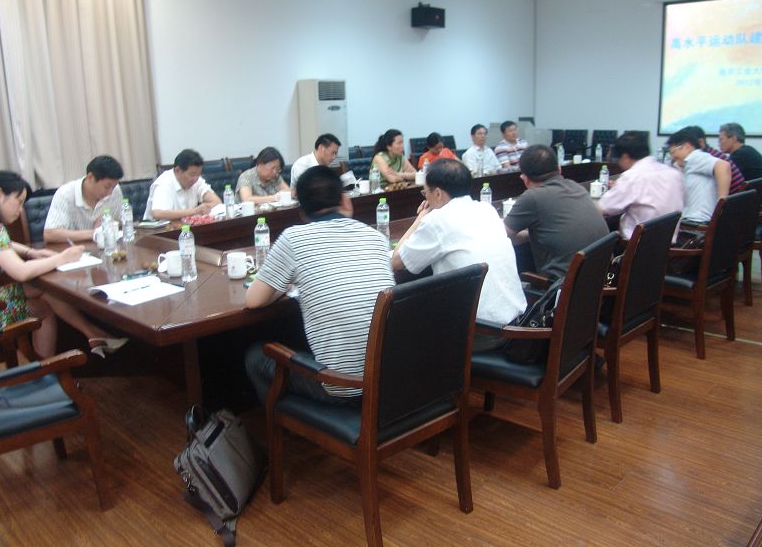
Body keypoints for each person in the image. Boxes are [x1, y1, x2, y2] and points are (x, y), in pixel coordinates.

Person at [244, 166, 394, 404]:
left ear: (302, 212)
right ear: (344, 199)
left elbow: (253, 300)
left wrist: (283, 282)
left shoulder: (293, 239)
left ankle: (287, 423)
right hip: (392, 380)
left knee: (255, 356)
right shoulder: (375, 237)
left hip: (346, 388)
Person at [0, 171, 127, 358]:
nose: (20, 210)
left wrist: (30, 252)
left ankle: (92, 334)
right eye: (19, 201)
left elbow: (0, 244)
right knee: (44, 306)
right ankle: (48, 367)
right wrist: (62, 258)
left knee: (45, 292)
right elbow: (21, 272)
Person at [392, 159, 526, 330]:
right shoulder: (486, 210)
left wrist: (422, 216)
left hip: (480, 331)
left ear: (438, 194)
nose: (426, 198)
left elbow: (396, 261)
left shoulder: (438, 220)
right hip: (516, 323)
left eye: (425, 193)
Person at [504, 144, 609, 279]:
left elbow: (501, 235)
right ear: (559, 169)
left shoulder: (532, 197)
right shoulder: (576, 186)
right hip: (599, 280)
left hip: (562, 286)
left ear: (525, 179)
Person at [598, 132, 685, 239]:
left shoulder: (632, 177)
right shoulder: (674, 173)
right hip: (668, 243)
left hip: (634, 246)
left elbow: (603, 208)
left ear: (625, 157)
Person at [43, 155, 125, 243]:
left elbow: (121, 221)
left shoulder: (115, 191)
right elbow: (49, 234)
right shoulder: (65, 194)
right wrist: (95, 233)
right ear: (90, 177)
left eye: (113, 187)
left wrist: (109, 223)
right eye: (107, 187)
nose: (110, 193)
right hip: (74, 248)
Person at [667, 128, 730, 224]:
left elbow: (723, 166)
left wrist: (721, 205)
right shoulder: (685, 164)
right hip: (692, 221)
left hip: (697, 223)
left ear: (687, 147)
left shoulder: (694, 157)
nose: (672, 157)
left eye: (673, 152)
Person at [144, 149, 221, 220]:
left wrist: (203, 208)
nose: (195, 179)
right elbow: (157, 214)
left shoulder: (197, 180)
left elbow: (217, 202)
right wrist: (194, 211)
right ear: (178, 170)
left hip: (184, 226)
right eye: (192, 174)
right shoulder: (164, 183)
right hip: (158, 229)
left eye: (198, 174)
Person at [682, 125, 745, 194]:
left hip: (733, 198)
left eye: (687, 146)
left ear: (701, 142)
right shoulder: (712, 154)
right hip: (739, 196)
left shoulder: (708, 158)